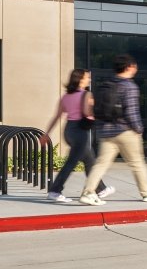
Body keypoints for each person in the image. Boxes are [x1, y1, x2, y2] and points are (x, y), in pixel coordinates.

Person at [79, 54, 147, 205]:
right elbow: (131, 112)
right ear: (129, 67)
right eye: (134, 66)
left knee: (100, 164)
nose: (135, 68)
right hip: (125, 131)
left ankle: (88, 193)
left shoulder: (107, 84)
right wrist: (138, 129)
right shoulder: (129, 86)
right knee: (137, 163)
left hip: (106, 131)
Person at [41, 69, 114, 203]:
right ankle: (55, 190)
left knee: (89, 160)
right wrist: (95, 109)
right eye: (87, 78)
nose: (89, 80)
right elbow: (87, 113)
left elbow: (56, 116)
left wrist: (47, 134)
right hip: (81, 131)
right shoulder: (86, 94)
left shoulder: (66, 96)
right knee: (72, 162)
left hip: (69, 130)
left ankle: (100, 189)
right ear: (80, 79)